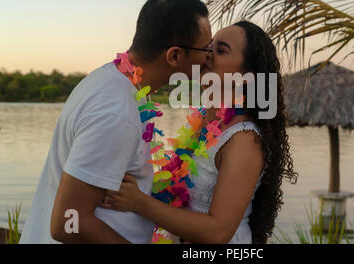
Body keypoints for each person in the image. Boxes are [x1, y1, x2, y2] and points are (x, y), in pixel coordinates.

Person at [19, 0, 213, 244]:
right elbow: (68, 223)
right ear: (174, 56)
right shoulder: (116, 111)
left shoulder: (118, 82)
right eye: (205, 48)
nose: (209, 56)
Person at [101, 21, 298, 244]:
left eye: (221, 50)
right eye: (209, 47)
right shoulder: (203, 121)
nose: (207, 55)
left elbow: (219, 232)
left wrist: (138, 202)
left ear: (246, 76)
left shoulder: (243, 139)